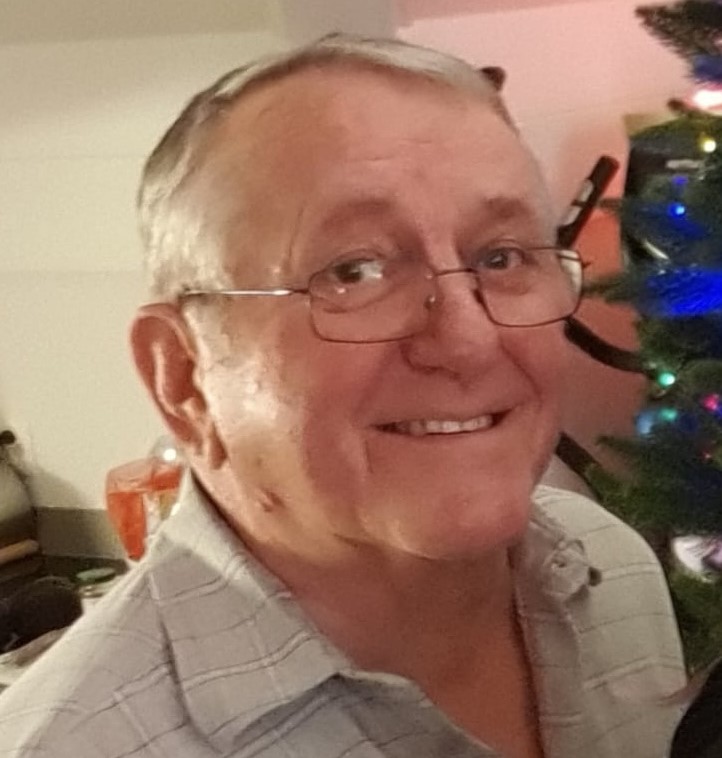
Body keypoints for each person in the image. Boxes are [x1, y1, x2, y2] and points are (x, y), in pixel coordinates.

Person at [0, 34, 687, 758]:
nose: (469, 340)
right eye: (353, 271)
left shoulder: (610, 573)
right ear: (184, 375)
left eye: (502, 256)